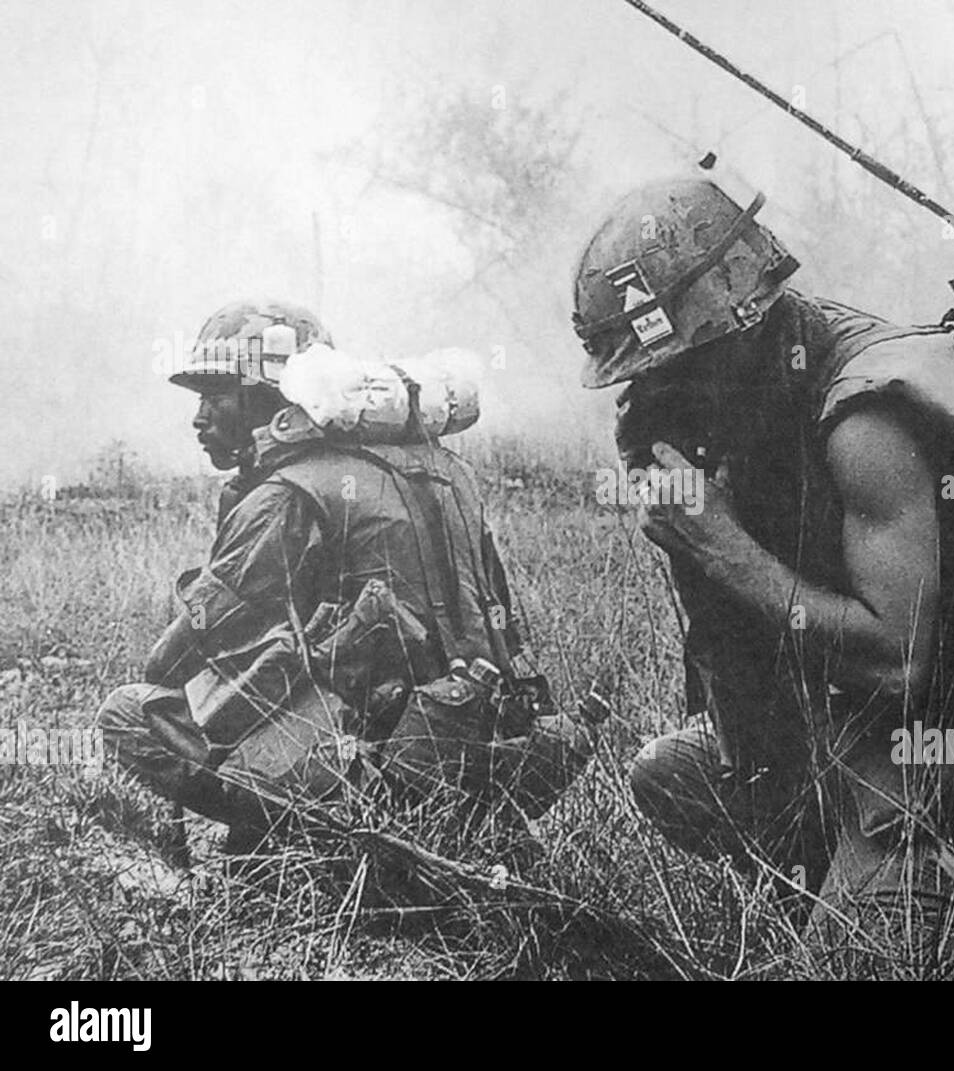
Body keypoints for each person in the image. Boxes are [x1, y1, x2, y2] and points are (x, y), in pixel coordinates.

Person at [569, 174, 954, 969]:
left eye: (675, 364)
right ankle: (845, 877)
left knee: (853, 965)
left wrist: (720, 548)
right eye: (643, 374)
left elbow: (899, 661)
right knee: (674, 774)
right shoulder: (764, 391)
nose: (657, 391)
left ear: (738, 322)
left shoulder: (864, 421)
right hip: (866, 732)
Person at [99, 299, 599, 856]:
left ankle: (312, 848)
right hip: (491, 752)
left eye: (216, 396)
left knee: (127, 711)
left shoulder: (285, 494)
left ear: (269, 397)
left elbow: (180, 652)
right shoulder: (449, 472)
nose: (199, 417)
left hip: (382, 774)